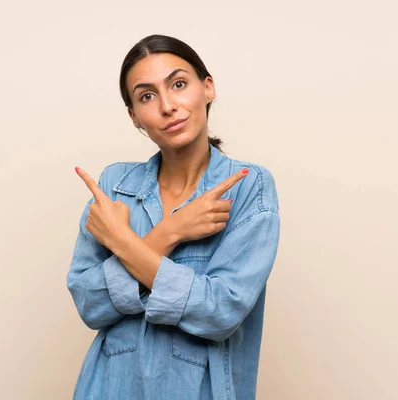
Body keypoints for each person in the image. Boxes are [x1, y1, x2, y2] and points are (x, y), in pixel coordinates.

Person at [67, 34, 281, 400]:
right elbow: (90, 303)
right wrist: (170, 232)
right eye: (146, 95)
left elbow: (221, 311)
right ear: (134, 116)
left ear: (208, 88)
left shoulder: (248, 187)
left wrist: (123, 242)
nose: (168, 105)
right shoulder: (114, 185)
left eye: (178, 84)